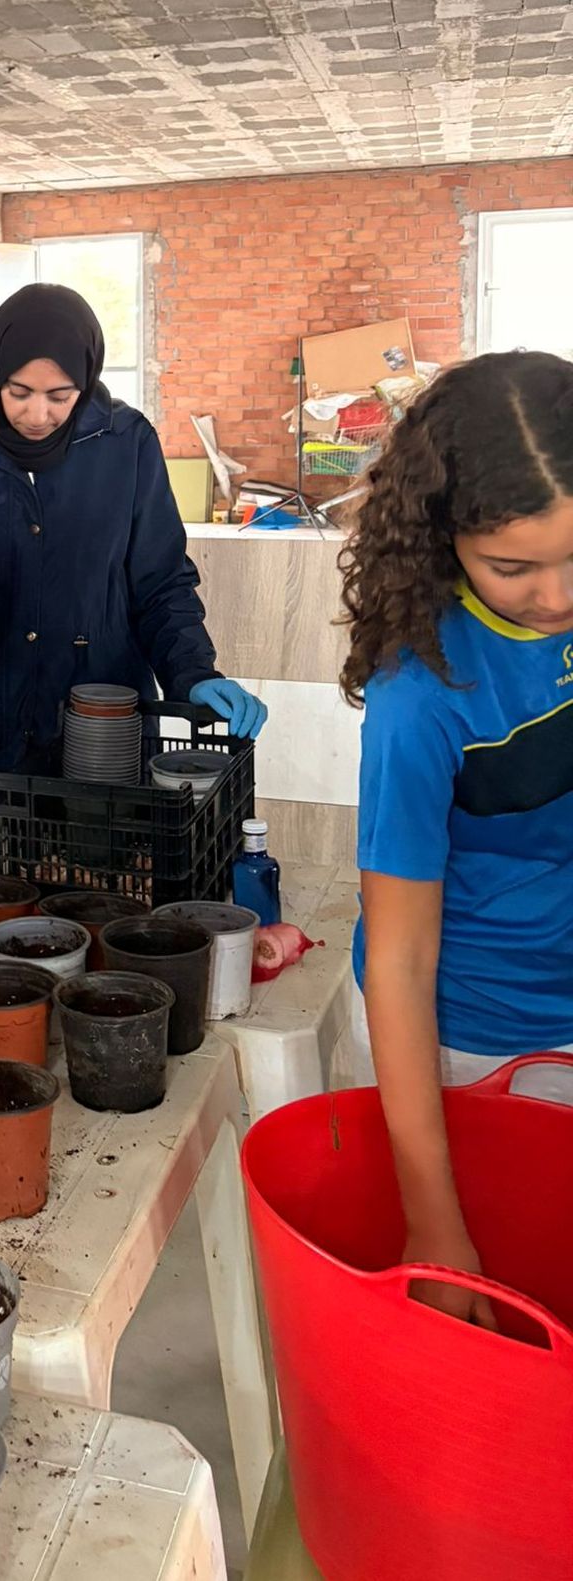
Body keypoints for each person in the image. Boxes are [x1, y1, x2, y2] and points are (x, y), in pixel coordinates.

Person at [341, 349, 573, 1326]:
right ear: (443, 542)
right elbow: (398, 959)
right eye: (511, 568)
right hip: (471, 1043)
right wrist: (430, 1213)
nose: (555, 598)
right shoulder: (421, 694)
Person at [0, 284, 264, 853]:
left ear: (87, 380)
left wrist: (196, 674)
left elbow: (160, 583)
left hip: (100, 744)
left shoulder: (126, 443)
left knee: (93, 908)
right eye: (18, 392)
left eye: (59, 395)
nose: (36, 414)